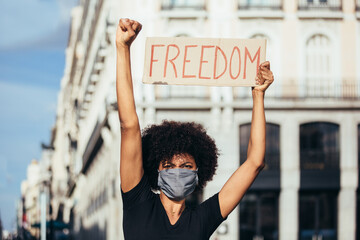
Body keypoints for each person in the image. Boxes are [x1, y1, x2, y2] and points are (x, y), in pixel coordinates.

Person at [116, 18, 274, 240]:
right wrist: (123, 48)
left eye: (186, 165)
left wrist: (258, 94)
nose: (177, 171)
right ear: (156, 170)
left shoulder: (203, 218)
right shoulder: (138, 204)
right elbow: (129, 126)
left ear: (198, 172)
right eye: (169, 165)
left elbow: (255, 162)